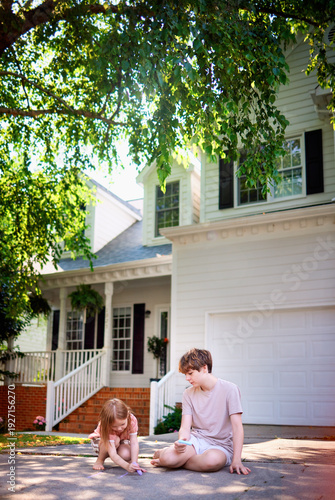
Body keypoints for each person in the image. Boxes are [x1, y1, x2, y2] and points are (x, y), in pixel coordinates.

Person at [151, 348, 251, 475]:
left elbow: (237, 428)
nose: (187, 378)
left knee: (211, 462)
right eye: (185, 375)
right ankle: (168, 457)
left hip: (221, 445)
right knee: (168, 459)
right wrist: (183, 440)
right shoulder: (188, 393)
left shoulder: (230, 389)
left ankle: (176, 462)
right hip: (197, 440)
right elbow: (185, 427)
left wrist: (237, 460)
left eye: (190, 373)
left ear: (205, 368)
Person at [89, 398, 146, 474]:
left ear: (127, 415)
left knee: (126, 454)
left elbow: (134, 443)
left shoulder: (132, 420)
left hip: (120, 441)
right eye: (114, 426)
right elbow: (113, 454)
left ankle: (130, 463)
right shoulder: (106, 426)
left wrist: (135, 463)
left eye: (122, 424)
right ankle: (100, 460)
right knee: (115, 440)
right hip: (100, 442)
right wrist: (126, 466)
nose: (119, 429)